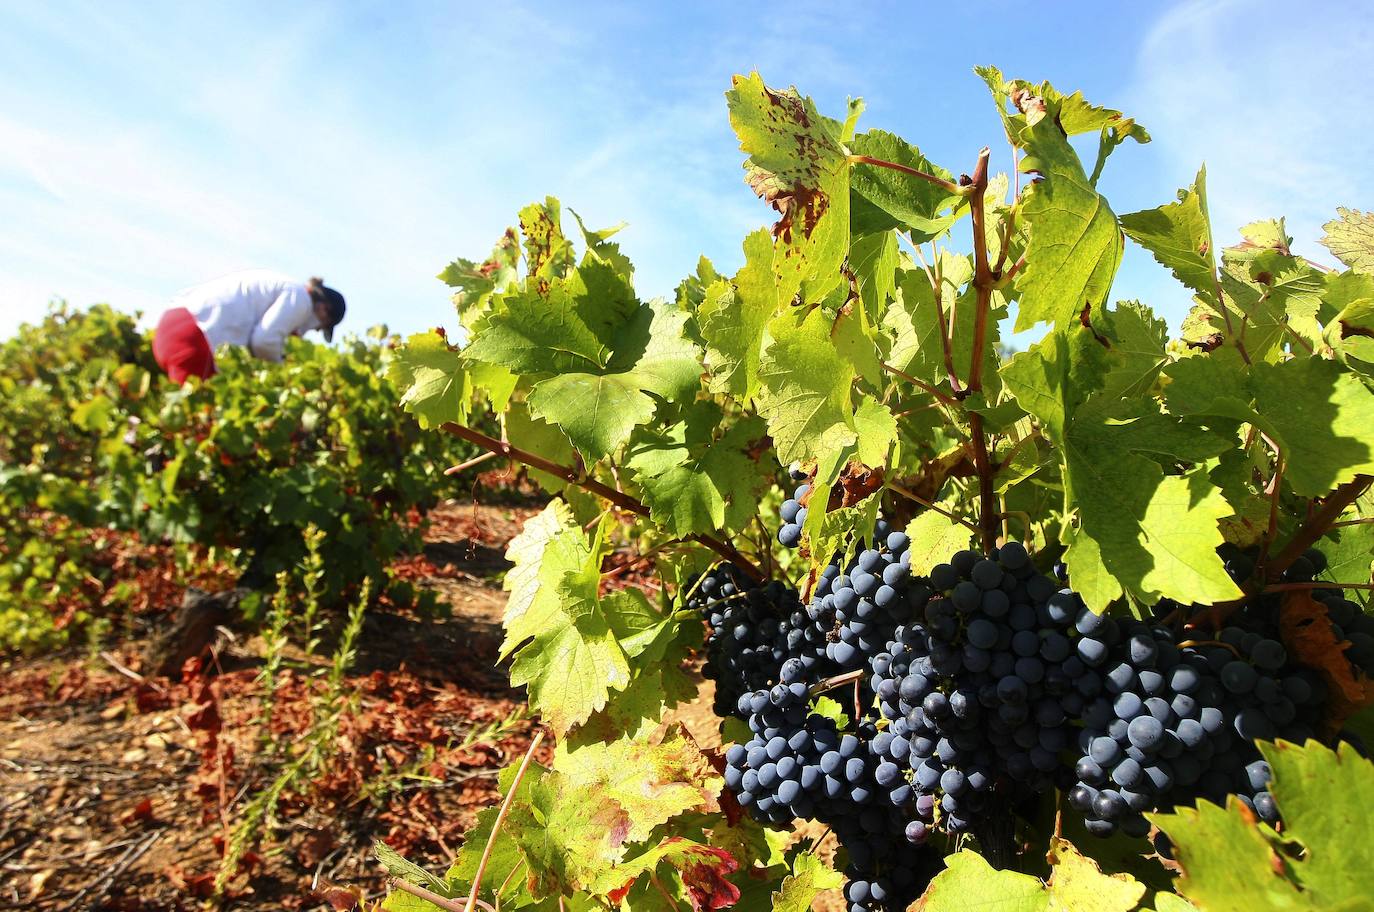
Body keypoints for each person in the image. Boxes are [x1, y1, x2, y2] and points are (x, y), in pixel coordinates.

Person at [152, 270, 346, 383]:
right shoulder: (301, 299)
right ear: (323, 310)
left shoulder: (283, 286)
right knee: (199, 432)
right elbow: (265, 341)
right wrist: (282, 378)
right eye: (320, 327)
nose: (313, 330)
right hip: (196, 338)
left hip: (175, 327)